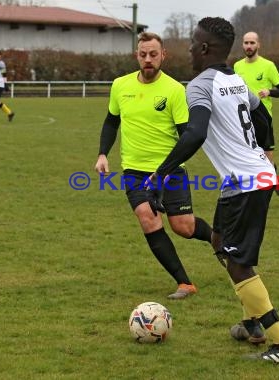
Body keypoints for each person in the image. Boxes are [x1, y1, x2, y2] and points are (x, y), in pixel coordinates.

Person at [149, 17, 279, 364]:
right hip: (247, 179)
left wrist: (162, 172)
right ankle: (252, 324)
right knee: (220, 243)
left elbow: (196, 133)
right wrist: (269, 162)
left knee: (238, 263)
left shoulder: (199, 86)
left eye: (192, 43)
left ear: (204, 48)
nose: (188, 49)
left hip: (245, 182)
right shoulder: (236, 80)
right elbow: (263, 119)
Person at [94, 32, 213, 300]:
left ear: (163, 56)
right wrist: (103, 153)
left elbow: (187, 135)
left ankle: (221, 241)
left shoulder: (174, 90)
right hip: (134, 171)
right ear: (137, 55)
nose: (148, 59)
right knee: (147, 219)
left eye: (153, 54)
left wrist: (165, 170)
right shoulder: (120, 86)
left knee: (184, 227)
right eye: (143, 54)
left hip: (169, 171)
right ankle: (184, 283)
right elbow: (112, 121)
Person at [234, 31, 279, 196]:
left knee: (266, 154)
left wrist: (269, 91)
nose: (248, 46)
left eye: (252, 43)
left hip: (263, 117)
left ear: (258, 45)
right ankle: (251, 186)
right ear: (242, 45)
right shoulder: (237, 66)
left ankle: (273, 175)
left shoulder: (268, 66)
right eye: (246, 43)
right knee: (245, 153)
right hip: (243, 117)